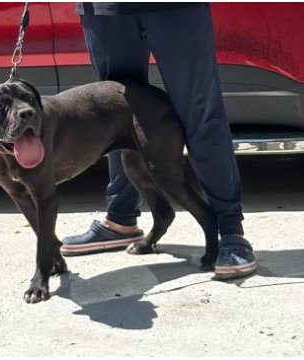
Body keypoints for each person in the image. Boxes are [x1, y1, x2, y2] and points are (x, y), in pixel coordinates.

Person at [60, 2, 257, 279]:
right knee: (116, 114)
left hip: (175, 8)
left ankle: (230, 231)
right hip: (105, 8)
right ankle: (120, 219)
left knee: (201, 116)